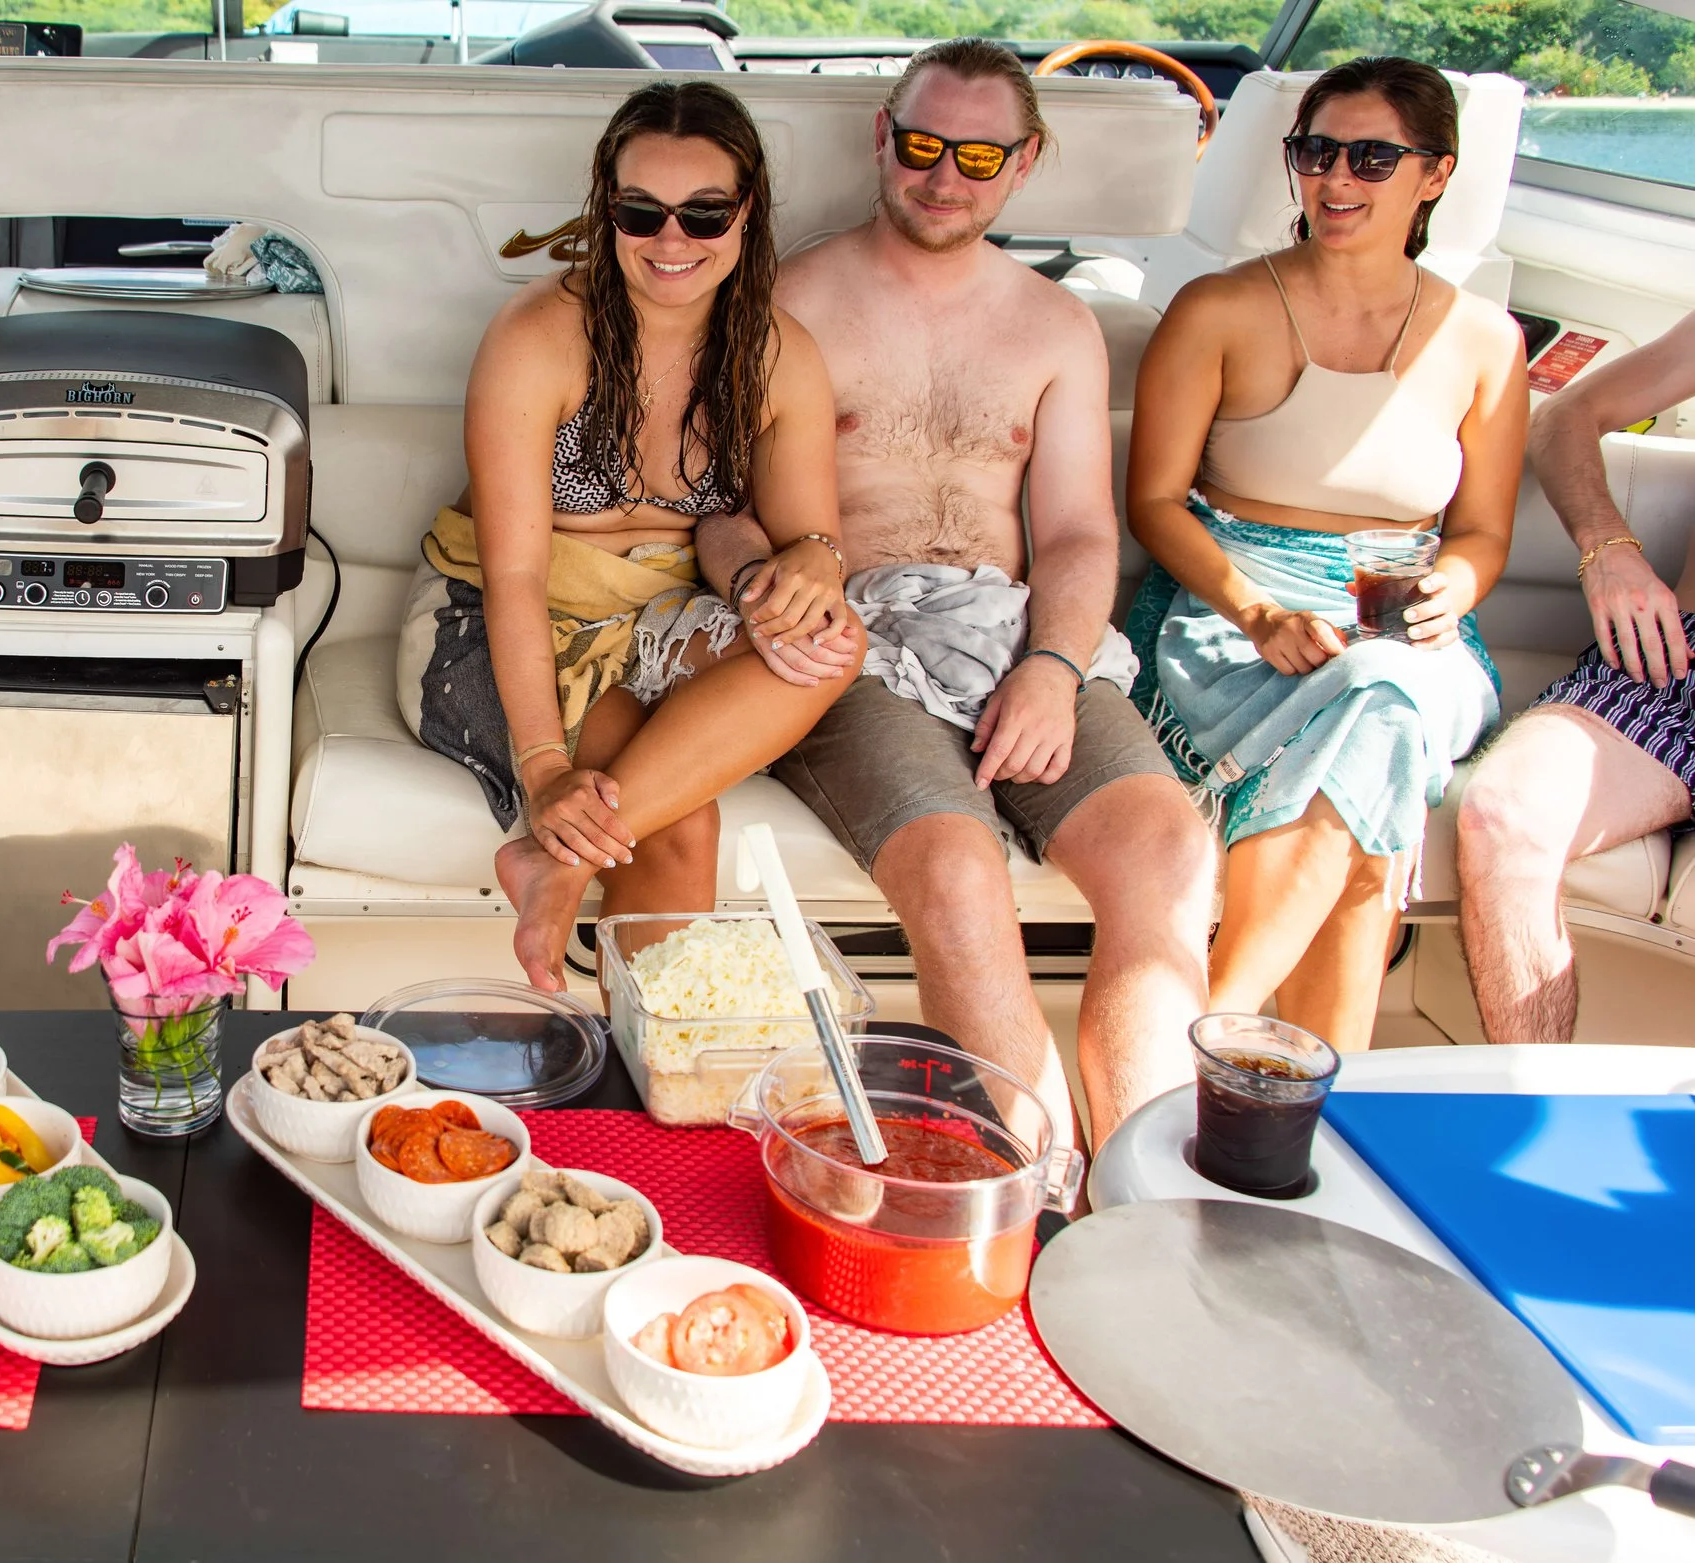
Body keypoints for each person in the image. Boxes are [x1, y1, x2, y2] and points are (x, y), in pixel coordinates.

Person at [697, 38, 1215, 1149]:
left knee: (1166, 856)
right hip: (851, 629)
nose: (945, 177)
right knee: (955, 864)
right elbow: (715, 505)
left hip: (1007, 629)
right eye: (924, 145)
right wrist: (763, 585)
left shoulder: (1056, 325)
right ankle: (1032, 1184)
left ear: (1024, 164)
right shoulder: (785, 299)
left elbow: (1078, 533)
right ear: (884, 138)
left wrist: (1052, 667)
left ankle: (1144, 1192)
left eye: (979, 157)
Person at [400, 80, 859, 993]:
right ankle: (651, 1076)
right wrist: (543, 772)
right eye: (640, 212)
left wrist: (816, 558)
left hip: (661, 612)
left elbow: (813, 541)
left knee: (830, 641)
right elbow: (517, 571)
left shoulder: (778, 354)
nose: (672, 240)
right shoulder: (540, 337)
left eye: (704, 212)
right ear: (606, 211)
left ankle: (559, 872)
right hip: (497, 610)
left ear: (747, 211)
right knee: (679, 822)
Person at [1126, 55, 1528, 1053]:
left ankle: (1204, 1029)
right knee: (1378, 745)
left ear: (1433, 176)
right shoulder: (1215, 309)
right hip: (1232, 611)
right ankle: (1296, 1096)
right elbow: (1153, 504)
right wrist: (1255, 611)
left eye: (1370, 158)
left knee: (1385, 686)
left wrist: (1454, 587)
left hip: (1404, 627)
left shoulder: (1485, 340)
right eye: (1314, 151)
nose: (1335, 179)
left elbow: (1481, 533)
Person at [1455, 312, 1695, 1040]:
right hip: (1674, 669)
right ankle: (1537, 1126)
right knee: (1505, 814)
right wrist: (1607, 545)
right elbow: (1566, 414)